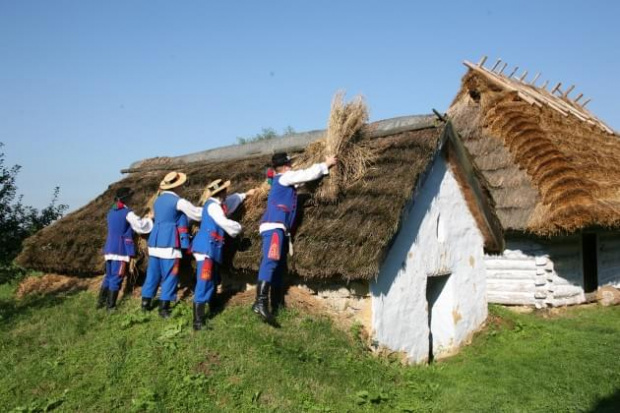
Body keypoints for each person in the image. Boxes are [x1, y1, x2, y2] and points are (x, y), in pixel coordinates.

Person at [252, 152, 337, 324]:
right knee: (270, 261)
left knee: (277, 264)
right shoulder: (284, 177)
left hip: (278, 227)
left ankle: (275, 303)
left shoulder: (282, 180)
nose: (291, 166)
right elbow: (305, 174)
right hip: (274, 225)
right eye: (289, 164)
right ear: (285, 166)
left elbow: (301, 180)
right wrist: (326, 164)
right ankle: (259, 302)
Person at [191, 179, 256, 330]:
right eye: (225, 190)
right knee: (204, 281)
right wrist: (239, 227)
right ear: (221, 192)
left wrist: (245, 194)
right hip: (206, 249)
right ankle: (198, 322)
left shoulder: (219, 204)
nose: (228, 192)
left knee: (213, 279)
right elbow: (223, 221)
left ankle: (213, 306)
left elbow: (232, 200)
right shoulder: (213, 207)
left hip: (211, 249)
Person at [141, 171, 203, 318]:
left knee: (153, 274)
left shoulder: (158, 200)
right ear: (177, 186)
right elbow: (196, 214)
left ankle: (145, 303)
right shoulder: (179, 201)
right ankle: (164, 309)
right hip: (168, 241)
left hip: (155, 241)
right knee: (170, 275)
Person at [98, 187, 153, 311]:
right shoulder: (127, 212)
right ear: (127, 198)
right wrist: (149, 220)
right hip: (120, 249)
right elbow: (139, 225)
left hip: (109, 247)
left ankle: (100, 303)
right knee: (117, 277)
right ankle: (110, 307)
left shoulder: (111, 212)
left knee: (109, 276)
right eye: (131, 197)